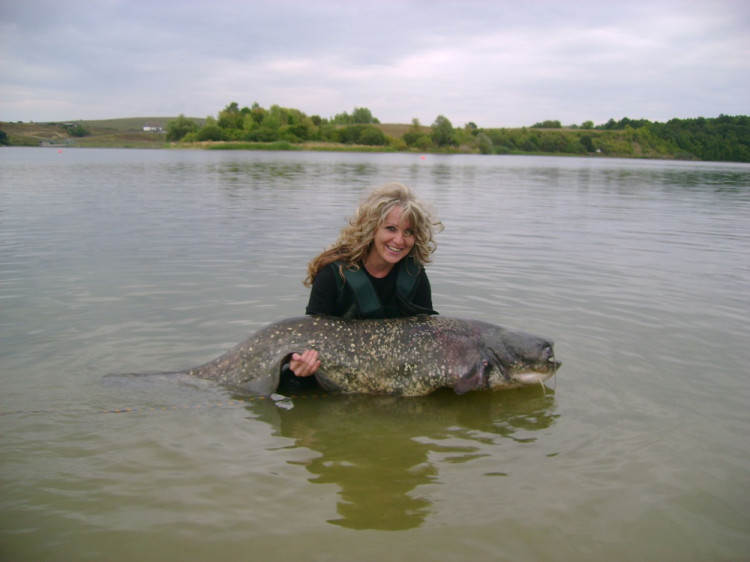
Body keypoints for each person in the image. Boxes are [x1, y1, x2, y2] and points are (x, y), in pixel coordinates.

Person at [279, 182, 443, 390]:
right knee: (291, 380)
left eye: (408, 232)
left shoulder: (414, 274)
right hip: (336, 367)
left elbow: (427, 336)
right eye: (391, 228)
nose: (399, 240)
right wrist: (300, 363)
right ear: (372, 228)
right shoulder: (332, 274)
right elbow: (313, 334)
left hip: (392, 368)